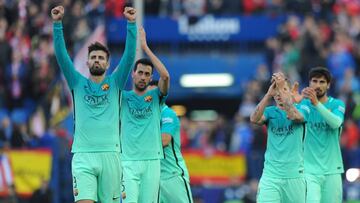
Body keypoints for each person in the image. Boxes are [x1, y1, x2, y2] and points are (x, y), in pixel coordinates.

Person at [51, 5, 137, 203]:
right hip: (83, 156)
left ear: (107, 64)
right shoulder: (77, 83)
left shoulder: (115, 82)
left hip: (111, 155)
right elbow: (62, 57)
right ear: (87, 63)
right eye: (93, 58)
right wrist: (57, 25)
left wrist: (131, 24)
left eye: (101, 58)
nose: (97, 60)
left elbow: (129, 56)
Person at [120, 27, 170, 203]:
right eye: (140, 72)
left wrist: (145, 47)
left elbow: (165, 76)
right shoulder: (122, 98)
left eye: (147, 74)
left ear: (150, 78)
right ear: (133, 75)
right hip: (128, 162)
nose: (143, 76)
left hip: (152, 161)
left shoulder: (156, 97)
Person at [250, 73, 309, 203]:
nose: (279, 93)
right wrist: (267, 95)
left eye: (283, 89)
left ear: (291, 92)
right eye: (277, 90)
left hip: (295, 176)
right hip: (271, 176)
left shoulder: (303, 108)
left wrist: (282, 88)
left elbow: (294, 116)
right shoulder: (270, 112)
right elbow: (254, 119)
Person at [301, 67, 345, 203]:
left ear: (328, 85)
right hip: (309, 170)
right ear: (309, 83)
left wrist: (317, 104)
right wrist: (292, 102)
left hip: (332, 170)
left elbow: (336, 123)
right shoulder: (304, 105)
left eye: (322, 82)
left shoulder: (337, 104)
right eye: (314, 81)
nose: (318, 85)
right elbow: (294, 117)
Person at [148, 81, 193, 203]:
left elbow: (165, 140)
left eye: (154, 92)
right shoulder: (144, 117)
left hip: (172, 175)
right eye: (148, 92)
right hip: (153, 178)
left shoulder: (168, 113)